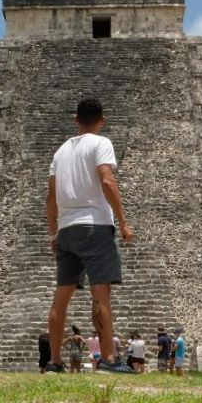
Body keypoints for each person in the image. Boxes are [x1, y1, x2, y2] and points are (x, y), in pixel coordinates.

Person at [44, 99, 135, 374]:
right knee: (101, 295)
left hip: (67, 230)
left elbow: (50, 197)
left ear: (76, 119)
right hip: (95, 226)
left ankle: (54, 362)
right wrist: (123, 222)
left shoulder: (60, 152)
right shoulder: (100, 143)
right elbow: (107, 180)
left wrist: (53, 232)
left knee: (61, 296)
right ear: (102, 120)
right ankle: (108, 358)